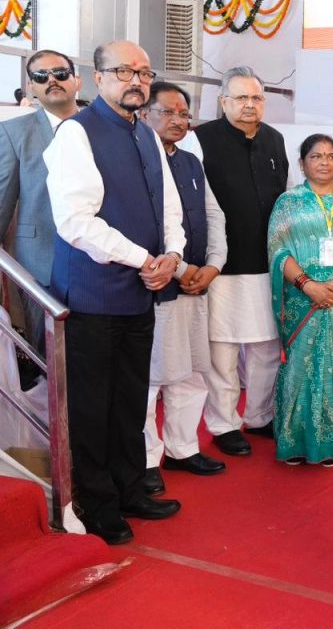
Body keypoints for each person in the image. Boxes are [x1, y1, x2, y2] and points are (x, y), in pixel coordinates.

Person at [43, 40, 186, 544]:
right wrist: (145, 260)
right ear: (97, 77)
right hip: (92, 296)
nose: (137, 81)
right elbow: (76, 222)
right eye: (124, 70)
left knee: (130, 400)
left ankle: (130, 488)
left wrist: (172, 256)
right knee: (92, 405)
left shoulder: (146, 134)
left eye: (145, 72)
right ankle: (98, 502)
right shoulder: (75, 134)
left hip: (140, 292)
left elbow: (169, 207)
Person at [138, 82, 227, 496]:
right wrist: (184, 271)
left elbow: (213, 214)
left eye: (184, 114)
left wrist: (213, 265)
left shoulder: (191, 161)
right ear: (145, 113)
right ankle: (146, 458)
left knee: (193, 371)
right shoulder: (136, 159)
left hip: (196, 286)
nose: (178, 120)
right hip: (158, 288)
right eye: (168, 111)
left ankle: (183, 447)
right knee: (152, 378)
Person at [195, 66, 288, 457]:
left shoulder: (274, 139)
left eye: (256, 98)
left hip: (267, 263)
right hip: (221, 265)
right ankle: (223, 423)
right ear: (223, 101)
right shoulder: (200, 139)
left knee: (267, 347)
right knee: (223, 352)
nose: (250, 106)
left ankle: (259, 415)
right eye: (241, 98)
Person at [268, 134, 333, 466]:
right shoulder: (288, 202)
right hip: (302, 300)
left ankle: (332, 442)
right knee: (299, 365)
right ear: (302, 163)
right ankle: (295, 440)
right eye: (317, 156)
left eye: (331, 156)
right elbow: (277, 250)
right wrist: (307, 285)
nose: (326, 162)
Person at [0, 50, 81, 357]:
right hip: (39, 264)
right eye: (40, 76)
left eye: (60, 74)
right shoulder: (14, 133)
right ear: (31, 87)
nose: (52, 81)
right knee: (47, 356)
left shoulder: (98, 128)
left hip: (101, 263)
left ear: (77, 81)